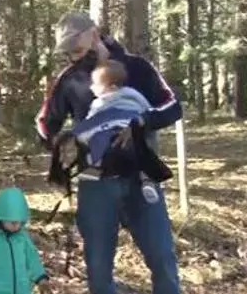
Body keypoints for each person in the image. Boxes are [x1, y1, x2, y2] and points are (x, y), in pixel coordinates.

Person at [35, 11, 205, 294]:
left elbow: (173, 106)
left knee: (162, 257)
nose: (71, 55)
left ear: (94, 34)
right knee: (98, 267)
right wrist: (60, 143)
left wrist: (141, 122)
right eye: (66, 51)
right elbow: (44, 124)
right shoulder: (68, 79)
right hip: (96, 184)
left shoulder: (138, 67)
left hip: (142, 179)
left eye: (76, 47)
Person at [73, 59, 173, 204]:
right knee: (144, 158)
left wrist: (80, 134)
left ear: (111, 87)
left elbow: (91, 120)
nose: (91, 87)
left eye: (96, 84)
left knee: (100, 145)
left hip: (113, 130)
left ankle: (94, 169)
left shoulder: (100, 102)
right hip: (134, 130)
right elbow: (146, 110)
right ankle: (147, 182)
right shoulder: (135, 95)